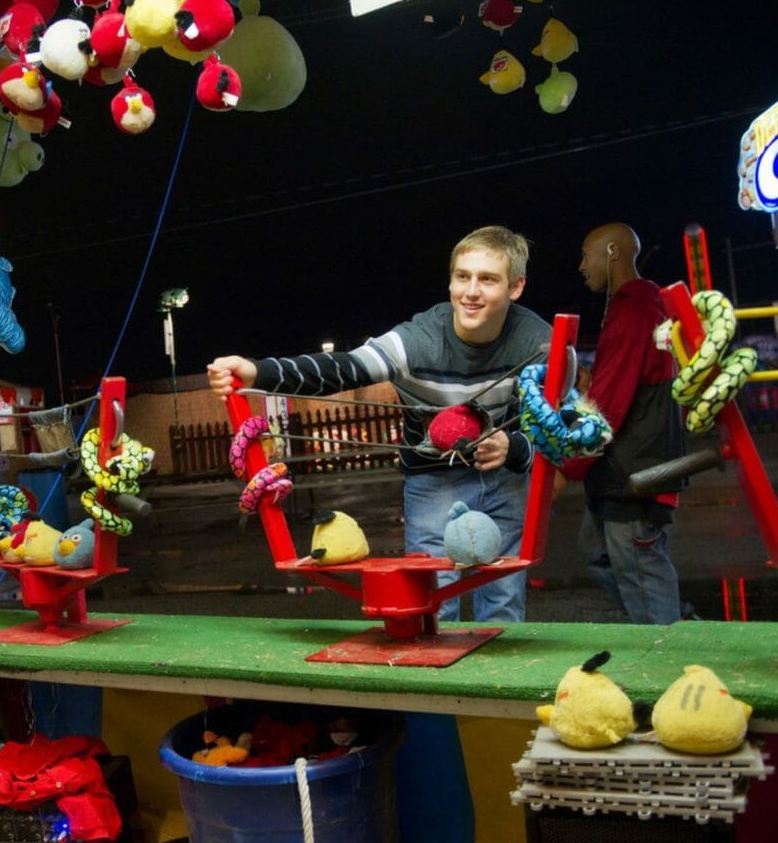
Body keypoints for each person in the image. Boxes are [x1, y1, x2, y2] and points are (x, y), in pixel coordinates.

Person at [208, 225, 552, 623]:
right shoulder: (416, 340)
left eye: (488, 279)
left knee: (504, 601)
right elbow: (343, 368)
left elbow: (551, 425)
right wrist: (256, 372)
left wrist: (516, 447)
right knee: (433, 607)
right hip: (432, 481)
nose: (471, 291)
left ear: (516, 287)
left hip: (505, 480)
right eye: (462, 276)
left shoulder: (539, 342)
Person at [557, 222, 685, 624]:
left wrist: (568, 467)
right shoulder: (641, 307)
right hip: (624, 471)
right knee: (597, 553)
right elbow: (629, 385)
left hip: (634, 474)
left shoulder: (633, 311)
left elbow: (610, 406)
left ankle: (668, 648)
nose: (581, 265)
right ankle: (670, 624)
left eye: (586, 254)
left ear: (612, 251)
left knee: (639, 570)